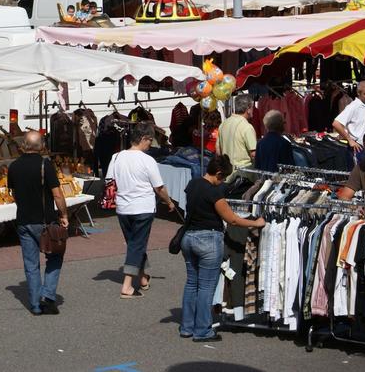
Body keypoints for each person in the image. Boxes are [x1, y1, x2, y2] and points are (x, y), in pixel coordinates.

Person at [179, 155, 265, 342]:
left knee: (192, 283)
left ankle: (186, 326)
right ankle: (202, 330)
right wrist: (256, 223)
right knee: (206, 287)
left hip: (189, 238)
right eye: (223, 178)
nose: (223, 182)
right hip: (208, 239)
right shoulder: (214, 192)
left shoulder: (193, 184)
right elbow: (231, 219)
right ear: (218, 173)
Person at [106, 122, 176, 298]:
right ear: (144, 139)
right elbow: (159, 188)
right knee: (137, 244)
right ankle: (127, 285)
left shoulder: (116, 157)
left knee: (135, 243)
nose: (150, 145)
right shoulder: (147, 160)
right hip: (143, 207)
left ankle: (143, 277)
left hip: (123, 207)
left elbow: (109, 180)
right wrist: (169, 202)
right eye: (150, 141)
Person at [8, 131, 68, 315]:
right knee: (55, 256)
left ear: (24, 145)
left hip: (24, 220)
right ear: (41, 146)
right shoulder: (45, 164)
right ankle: (47, 295)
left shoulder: (13, 166)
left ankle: (35, 305)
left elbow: (14, 194)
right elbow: (57, 194)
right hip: (45, 220)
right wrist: (64, 215)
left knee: (31, 263)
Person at [216, 94, 257, 179]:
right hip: (243, 177)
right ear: (248, 109)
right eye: (252, 107)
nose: (253, 110)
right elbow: (254, 154)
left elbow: (218, 150)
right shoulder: (247, 127)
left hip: (227, 174)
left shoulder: (223, 124)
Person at [332, 80, 365, 161]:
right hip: (358, 148)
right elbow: (336, 123)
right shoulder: (353, 107)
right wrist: (350, 140)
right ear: (358, 93)